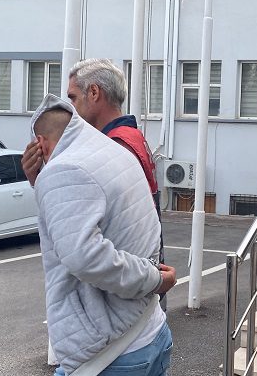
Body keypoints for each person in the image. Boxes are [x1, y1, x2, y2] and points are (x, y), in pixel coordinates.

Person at [32, 95, 176, 376]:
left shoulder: (62, 170)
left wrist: (153, 280)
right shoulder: (115, 151)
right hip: (150, 329)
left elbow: (85, 256)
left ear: (40, 143)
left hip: (108, 353)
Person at [22, 58, 167, 312]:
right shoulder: (130, 137)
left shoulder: (113, 145)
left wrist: (44, 179)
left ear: (94, 92)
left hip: (122, 298)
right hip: (141, 278)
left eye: (73, 98)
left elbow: (91, 241)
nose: (70, 109)